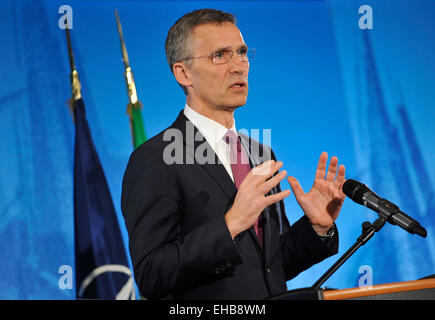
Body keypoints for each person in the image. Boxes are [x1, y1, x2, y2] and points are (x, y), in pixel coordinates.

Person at [121, 8, 346, 300]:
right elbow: (153, 274)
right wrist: (230, 225)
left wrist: (316, 226)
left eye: (241, 52)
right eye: (220, 55)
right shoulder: (156, 158)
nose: (239, 66)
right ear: (183, 73)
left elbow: (269, 267)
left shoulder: (260, 154)